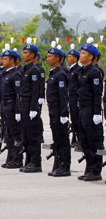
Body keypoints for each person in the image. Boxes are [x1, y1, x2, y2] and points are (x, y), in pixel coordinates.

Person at [76, 38, 104, 182]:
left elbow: (97, 94)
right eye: (81, 52)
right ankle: (89, 167)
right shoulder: (82, 71)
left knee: (95, 140)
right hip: (82, 108)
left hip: (90, 109)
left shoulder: (94, 72)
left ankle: (96, 169)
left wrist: (96, 113)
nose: (81, 55)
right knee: (85, 140)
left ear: (91, 56)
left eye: (84, 53)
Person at [45, 43, 71, 177]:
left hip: (58, 110)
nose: (47, 59)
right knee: (57, 138)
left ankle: (65, 166)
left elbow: (63, 96)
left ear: (58, 58)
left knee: (62, 138)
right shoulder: (54, 73)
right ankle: (58, 163)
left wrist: (63, 114)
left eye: (50, 57)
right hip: (53, 110)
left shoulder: (61, 74)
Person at [19, 38, 43, 173]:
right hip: (23, 103)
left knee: (33, 135)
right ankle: (29, 161)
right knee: (26, 135)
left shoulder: (34, 70)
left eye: (27, 53)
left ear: (33, 55)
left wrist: (34, 108)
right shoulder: (25, 69)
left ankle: (36, 162)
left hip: (30, 104)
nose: (24, 55)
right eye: (24, 52)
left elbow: (36, 91)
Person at [0, 48, 23, 169]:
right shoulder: (5, 74)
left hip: (12, 106)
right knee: (8, 133)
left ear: (13, 60)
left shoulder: (16, 75)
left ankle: (17, 158)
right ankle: (10, 156)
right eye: (3, 58)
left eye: (6, 59)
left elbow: (18, 95)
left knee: (15, 133)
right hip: (5, 105)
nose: (3, 61)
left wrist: (18, 111)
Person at [67, 45, 82, 151]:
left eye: (71, 57)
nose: (69, 59)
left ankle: (79, 139)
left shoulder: (78, 70)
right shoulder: (71, 70)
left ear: (76, 58)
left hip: (76, 97)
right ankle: (74, 137)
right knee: (73, 118)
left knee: (77, 118)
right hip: (70, 97)